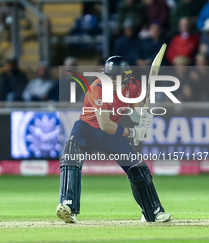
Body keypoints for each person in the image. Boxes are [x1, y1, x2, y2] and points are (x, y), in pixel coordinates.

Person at [56, 56, 172, 224]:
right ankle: (69, 207)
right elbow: (105, 125)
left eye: (115, 77)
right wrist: (133, 132)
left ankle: (152, 212)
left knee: (137, 168)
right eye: (109, 76)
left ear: (126, 76)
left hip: (111, 133)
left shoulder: (134, 86)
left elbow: (135, 107)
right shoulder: (98, 88)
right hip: (87, 128)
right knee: (71, 158)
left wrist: (143, 117)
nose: (111, 80)